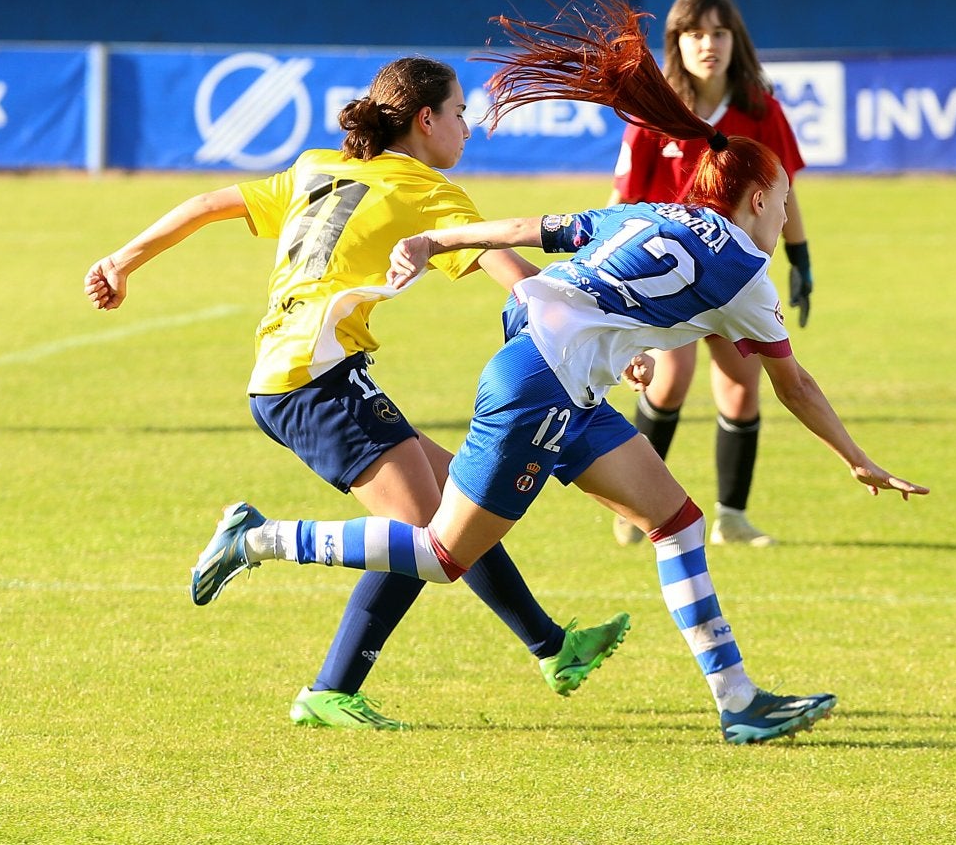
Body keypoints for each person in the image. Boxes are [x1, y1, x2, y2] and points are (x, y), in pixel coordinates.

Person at [187, 0, 928, 744]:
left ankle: (737, 700)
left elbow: (531, 231)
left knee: (676, 521)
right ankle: (257, 539)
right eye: (784, 206)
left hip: (556, 373)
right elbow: (792, 384)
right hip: (541, 387)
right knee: (442, 553)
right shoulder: (746, 273)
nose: (784, 221)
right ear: (758, 199)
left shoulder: (656, 211)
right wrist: (858, 459)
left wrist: (443, 245)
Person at [84, 56, 629, 731]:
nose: (468, 127)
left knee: (458, 498)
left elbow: (205, 205)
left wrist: (121, 260)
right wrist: (596, 332)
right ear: (426, 120)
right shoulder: (429, 192)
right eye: (461, 113)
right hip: (314, 380)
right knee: (421, 534)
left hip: (297, 372)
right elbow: (512, 270)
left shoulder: (317, 164)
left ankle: (552, 647)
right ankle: (323, 677)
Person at [608, 0, 812, 547]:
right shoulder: (656, 112)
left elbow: (784, 187)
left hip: (736, 277)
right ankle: (633, 508)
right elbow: (619, 204)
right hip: (667, 276)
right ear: (677, 41)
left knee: (743, 390)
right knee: (668, 384)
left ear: (734, 40)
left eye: (719, 32)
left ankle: (733, 517)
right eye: (695, 33)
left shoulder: (760, 111)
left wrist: (800, 257)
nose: (708, 44)